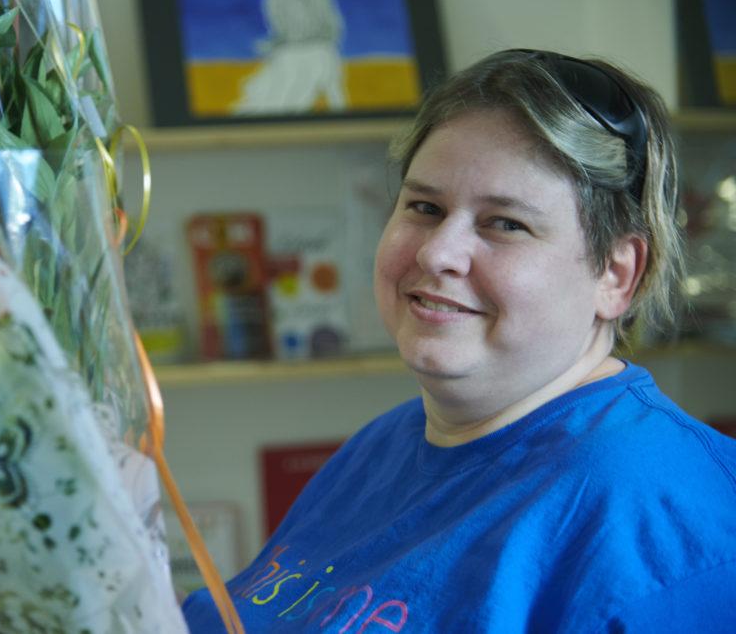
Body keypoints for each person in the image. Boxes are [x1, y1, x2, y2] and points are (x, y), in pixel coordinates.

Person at [182, 48, 736, 632]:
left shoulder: (669, 527)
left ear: (615, 275)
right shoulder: (383, 445)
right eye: (425, 207)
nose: (436, 252)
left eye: (506, 223)